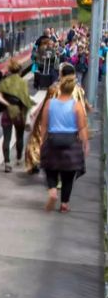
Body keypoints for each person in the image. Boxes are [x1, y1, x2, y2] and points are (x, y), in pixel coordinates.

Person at [25, 63, 90, 173]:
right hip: (71, 128)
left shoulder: (54, 88)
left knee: (41, 142)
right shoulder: (79, 89)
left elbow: (46, 105)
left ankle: (42, 167)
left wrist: (36, 115)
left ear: (61, 74)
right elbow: (83, 108)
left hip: (55, 126)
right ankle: (62, 176)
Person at [39, 75, 89, 212]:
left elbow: (44, 124)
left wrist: (42, 141)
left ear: (60, 88)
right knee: (68, 176)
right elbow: (82, 127)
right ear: (73, 89)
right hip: (71, 143)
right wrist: (85, 144)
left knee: (50, 169)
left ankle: (53, 191)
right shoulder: (77, 105)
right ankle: (64, 204)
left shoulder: (50, 103)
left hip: (53, 141)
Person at [0, 59, 34, 172]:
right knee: (19, 137)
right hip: (19, 114)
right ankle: (18, 158)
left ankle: (7, 163)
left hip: (7, 113)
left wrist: (7, 104)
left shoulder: (4, 82)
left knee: (6, 138)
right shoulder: (23, 83)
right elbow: (26, 100)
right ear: (20, 71)